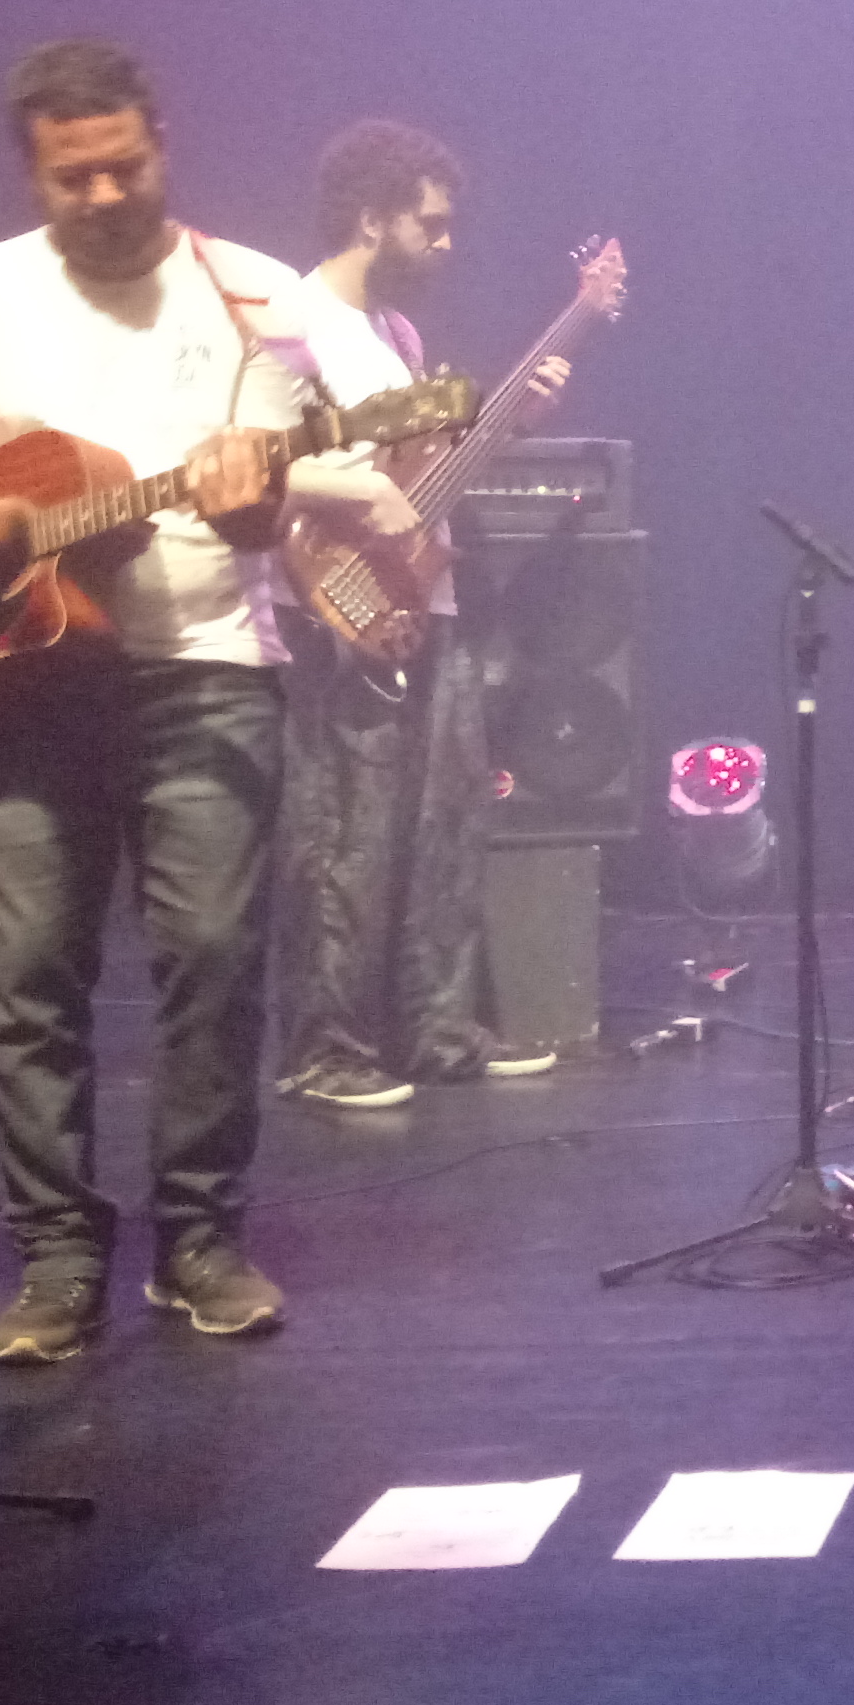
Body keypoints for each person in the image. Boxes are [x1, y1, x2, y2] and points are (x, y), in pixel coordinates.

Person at [0, 39, 387, 1364]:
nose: (106, 193)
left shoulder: (262, 299)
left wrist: (261, 501)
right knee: (27, 978)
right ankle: (58, 1257)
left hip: (208, 668)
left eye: (125, 165)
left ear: (161, 142)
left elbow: (338, 475)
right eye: (75, 177)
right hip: (21, 684)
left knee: (215, 966)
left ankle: (201, 1244)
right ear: (34, 172)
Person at [272, 119, 572, 1111]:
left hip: (418, 599)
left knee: (441, 820)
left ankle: (436, 1031)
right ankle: (325, 1048)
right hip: (332, 605)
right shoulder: (294, 320)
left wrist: (511, 424)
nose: (445, 244)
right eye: (429, 225)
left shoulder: (395, 338)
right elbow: (247, 462)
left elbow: (424, 480)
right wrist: (358, 495)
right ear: (371, 218)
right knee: (341, 837)